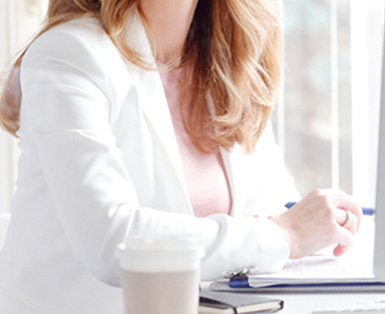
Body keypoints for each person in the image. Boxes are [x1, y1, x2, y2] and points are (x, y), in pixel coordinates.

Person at [0, 0, 362, 313]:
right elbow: (114, 242)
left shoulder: (228, 61)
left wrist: (316, 227)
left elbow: (273, 210)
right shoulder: (70, 54)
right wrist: (284, 234)